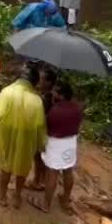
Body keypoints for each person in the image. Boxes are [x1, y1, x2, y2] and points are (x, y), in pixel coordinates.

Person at [0, 65, 47, 208]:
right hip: (27, 137)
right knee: (22, 166)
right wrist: (41, 144)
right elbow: (40, 125)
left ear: (19, 77)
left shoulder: (7, 92)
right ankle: (17, 197)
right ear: (34, 82)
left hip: (6, 133)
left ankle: (1, 196)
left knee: (5, 165)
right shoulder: (37, 100)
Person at [32, 81, 82, 213]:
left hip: (56, 142)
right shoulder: (76, 107)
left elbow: (46, 127)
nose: (52, 93)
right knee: (68, 171)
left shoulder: (56, 111)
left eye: (55, 91)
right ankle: (65, 200)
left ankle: (46, 205)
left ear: (61, 95)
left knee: (52, 173)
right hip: (70, 142)